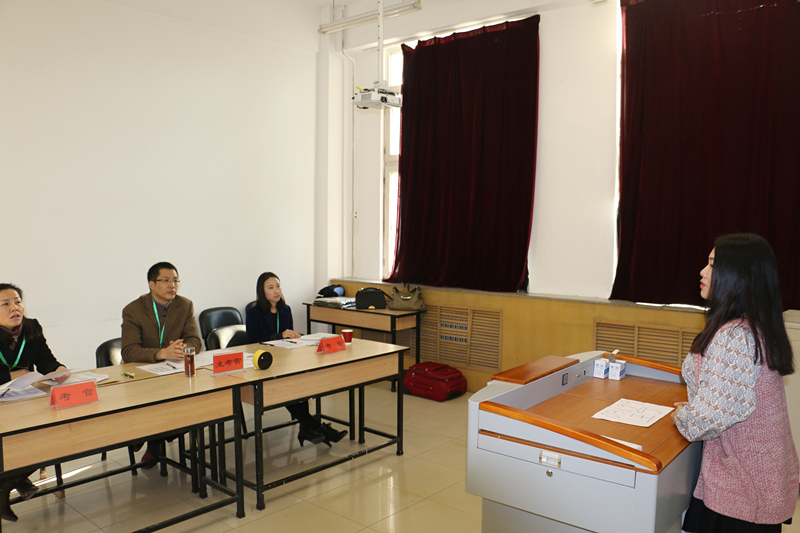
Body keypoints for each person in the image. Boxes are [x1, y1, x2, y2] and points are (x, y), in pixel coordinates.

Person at [672, 234, 798, 533]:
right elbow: (726, 397)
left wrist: (684, 416)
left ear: (737, 276)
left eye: (713, 265)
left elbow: (714, 416)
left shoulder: (736, 335)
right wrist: (699, 407)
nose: (703, 272)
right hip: (753, 477)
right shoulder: (752, 324)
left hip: (743, 485)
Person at [246, 272, 347, 447]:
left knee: (297, 382)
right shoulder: (254, 313)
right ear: (262, 291)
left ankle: (308, 426)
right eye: (271, 288)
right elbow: (253, 343)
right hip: (265, 365)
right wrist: (280, 335)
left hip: (284, 360)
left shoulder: (285, 310)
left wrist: (294, 337)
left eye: (278, 286)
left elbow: (289, 338)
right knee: (287, 386)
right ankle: (315, 427)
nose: (276, 291)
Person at [121, 262, 202, 467]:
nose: (172, 285)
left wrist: (182, 349)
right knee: (156, 400)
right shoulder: (133, 310)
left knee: (188, 402)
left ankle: (150, 437)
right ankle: (149, 437)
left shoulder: (185, 305)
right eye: (166, 280)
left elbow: (195, 340)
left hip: (173, 371)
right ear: (151, 284)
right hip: (140, 373)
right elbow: (129, 351)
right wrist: (161, 353)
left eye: (175, 281)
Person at [0, 283, 70, 522]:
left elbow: (46, 360)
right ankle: (13, 482)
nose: (14, 308)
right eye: (5, 304)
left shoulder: (31, 327)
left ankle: (10, 482)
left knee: (53, 430)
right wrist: (10, 375)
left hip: (23, 398)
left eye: (17, 302)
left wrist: (58, 369)